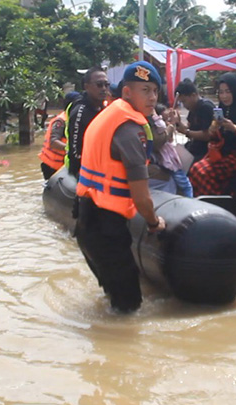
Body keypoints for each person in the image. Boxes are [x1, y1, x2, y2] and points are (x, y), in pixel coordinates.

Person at [75, 61, 166, 313]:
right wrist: (153, 222)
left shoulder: (109, 115)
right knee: (129, 310)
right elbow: (141, 198)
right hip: (107, 228)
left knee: (114, 300)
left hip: (86, 220)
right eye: (144, 90)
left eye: (155, 91)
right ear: (127, 92)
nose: (152, 97)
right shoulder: (129, 129)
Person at [188, 73, 236, 196]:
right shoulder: (222, 110)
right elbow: (218, 138)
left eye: (228, 91)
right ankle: (203, 203)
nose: (224, 96)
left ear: (235, 91)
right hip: (223, 152)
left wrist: (235, 128)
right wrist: (214, 130)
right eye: (221, 92)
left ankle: (218, 204)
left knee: (204, 173)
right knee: (195, 169)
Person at [65, 66, 110, 176]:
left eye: (106, 85)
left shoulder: (103, 108)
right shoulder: (80, 112)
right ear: (87, 87)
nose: (104, 88)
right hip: (83, 170)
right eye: (99, 85)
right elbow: (75, 151)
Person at [154, 103, 193, 197]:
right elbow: (166, 136)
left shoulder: (160, 125)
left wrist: (172, 122)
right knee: (186, 185)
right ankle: (190, 201)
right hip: (169, 161)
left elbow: (170, 138)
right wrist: (171, 124)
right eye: (164, 118)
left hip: (166, 160)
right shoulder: (158, 124)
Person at [172, 79, 215, 164]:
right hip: (195, 147)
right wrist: (178, 122)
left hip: (206, 150)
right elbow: (189, 127)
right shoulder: (193, 107)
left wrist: (186, 132)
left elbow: (207, 135)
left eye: (184, 101)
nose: (184, 105)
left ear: (193, 95)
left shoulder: (205, 107)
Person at [38, 91, 80, 180]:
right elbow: (53, 142)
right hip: (52, 166)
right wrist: (71, 148)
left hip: (61, 165)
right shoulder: (60, 121)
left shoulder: (73, 118)